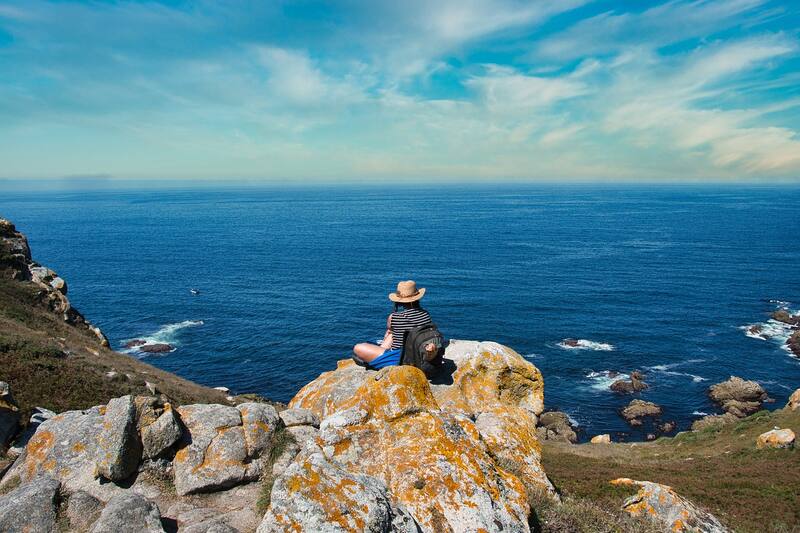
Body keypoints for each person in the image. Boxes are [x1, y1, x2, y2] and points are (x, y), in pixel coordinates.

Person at [353, 280, 437, 369]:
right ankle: (382, 350)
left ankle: (381, 355)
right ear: (417, 298)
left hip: (400, 358)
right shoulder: (426, 314)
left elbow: (389, 329)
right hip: (417, 353)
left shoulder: (394, 317)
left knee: (357, 348)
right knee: (393, 332)